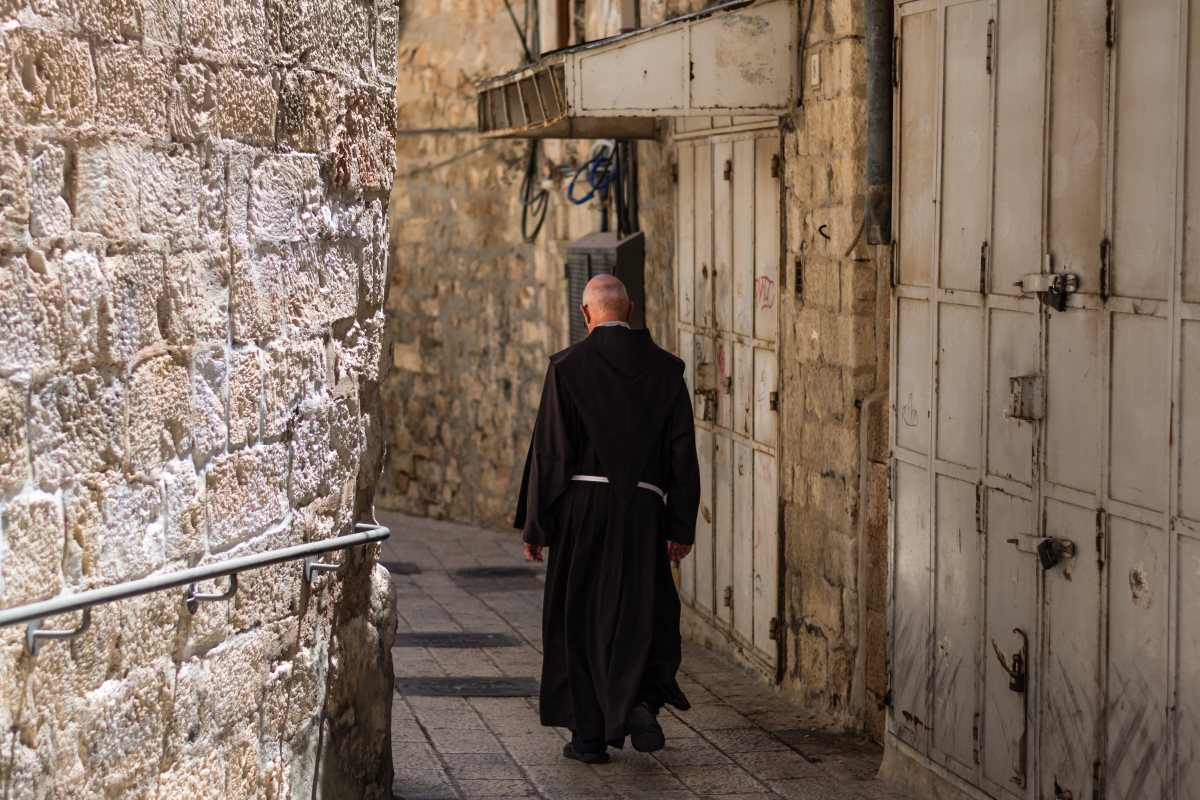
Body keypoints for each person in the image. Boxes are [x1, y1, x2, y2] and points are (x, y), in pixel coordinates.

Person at [513, 274, 701, 764]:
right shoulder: (667, 371)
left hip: (582, 512)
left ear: (586, 313)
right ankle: (639, 700)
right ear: (631, 309)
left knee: (580, 618)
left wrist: (537, 526)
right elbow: (683, 454)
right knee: (643, 610)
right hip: (643, 513)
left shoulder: (567, 367)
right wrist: (680, 525)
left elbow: (551, 455)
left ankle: (589, 737)